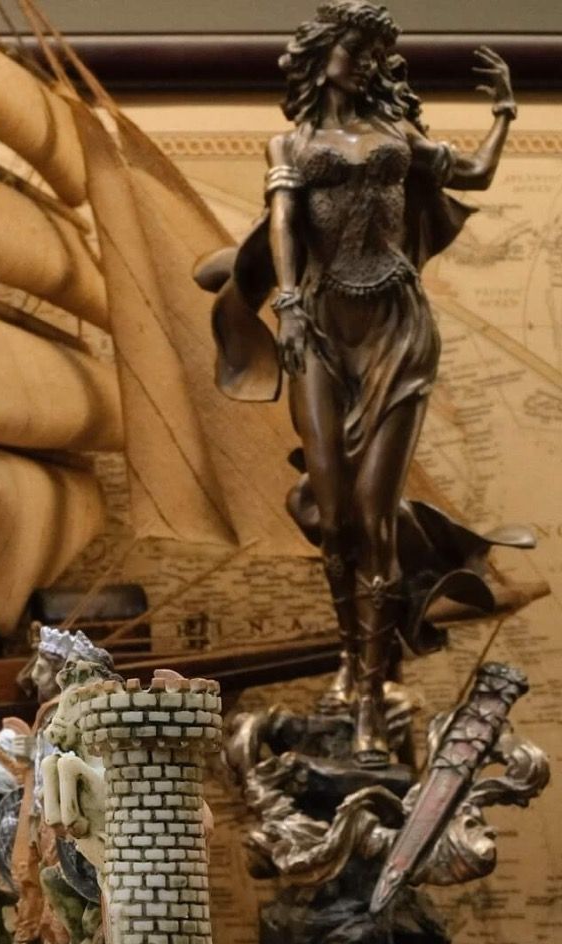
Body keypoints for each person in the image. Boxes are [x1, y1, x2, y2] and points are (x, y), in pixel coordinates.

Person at [203, 2, 520, 765]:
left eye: (377, 52)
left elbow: (474, 172)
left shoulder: (398, 135)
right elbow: (284, 222)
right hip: (316, 329)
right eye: (357, 48)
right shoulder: (291, 143)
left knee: (375, 517)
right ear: (325, 54)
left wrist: (505, 110)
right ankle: (351, 659)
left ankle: (372, 698)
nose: (368, 62)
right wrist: (286, 301)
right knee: (336, 516)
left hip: (398, 330)